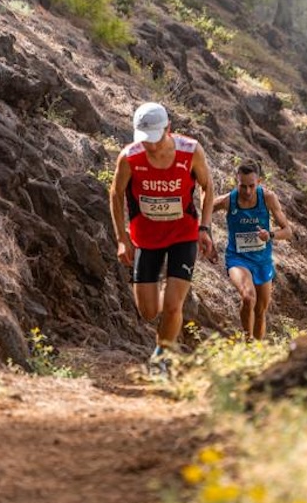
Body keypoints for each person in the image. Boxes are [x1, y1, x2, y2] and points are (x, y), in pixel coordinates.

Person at [109, 102, 216, 370]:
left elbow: (207, 186)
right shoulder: (129, 157)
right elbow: (115, 194)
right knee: (148, 311)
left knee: (171, 306)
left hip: (183, 234)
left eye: (155, 139)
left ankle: (161, 359)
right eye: (145, 139)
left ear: (169, 128)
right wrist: (122, 238)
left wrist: (205, 227)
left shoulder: (191, 151)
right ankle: (165, 301)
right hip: (145, 238)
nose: (151, 146)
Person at [212, 161, 294, 340]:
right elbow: (203, 212)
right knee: (248, 297)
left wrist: (270, 234)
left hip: (262, 261)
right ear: (236, 182)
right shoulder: (228, 200)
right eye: (243, 186)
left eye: (251, 186)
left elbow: (287, 231)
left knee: (260, 311)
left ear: (259, 182)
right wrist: (204, 236)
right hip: (237, 259)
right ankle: (247, 341)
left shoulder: (268, 198)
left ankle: (257, 349)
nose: (247, 191)